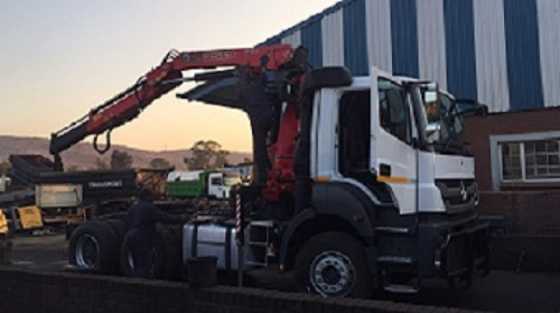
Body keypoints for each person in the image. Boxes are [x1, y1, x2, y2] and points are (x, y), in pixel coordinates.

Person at [125, 186, 187, 278]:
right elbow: (164, 218)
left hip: (130, 236)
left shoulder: (133, 208)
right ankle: (142, 285)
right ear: (147, 197)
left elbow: (128, 220)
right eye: (151, 197)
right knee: (144, 263)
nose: (153, 199)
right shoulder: (149, 208)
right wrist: (181, 218)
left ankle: (136, 281)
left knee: (137, 262)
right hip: (142, 237)